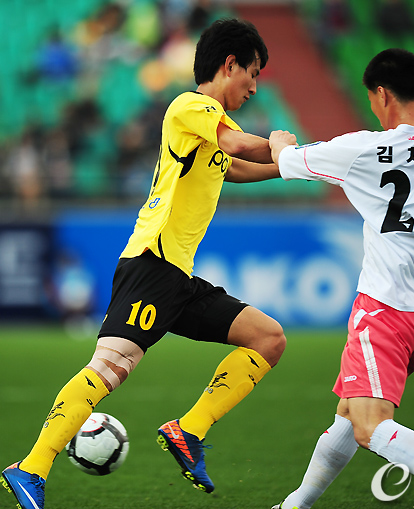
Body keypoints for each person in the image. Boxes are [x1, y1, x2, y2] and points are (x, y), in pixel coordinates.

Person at [1, 18, 289, 509]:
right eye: (253, 73)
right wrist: (283, 145)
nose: (255, 87)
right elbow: (239, 146)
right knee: (109, 369)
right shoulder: (192, 107)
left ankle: (188, 431)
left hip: (177, 278)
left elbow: (236, 166)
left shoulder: (211, 131)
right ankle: (31, 467)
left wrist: (292, 165)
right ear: (229, 64)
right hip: (152, 265)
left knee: (268, 338)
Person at [269, 48, 414, 509]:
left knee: (368, 425)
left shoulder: (364, 149)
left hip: (384, 309)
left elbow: (288, 161)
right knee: (347, 415)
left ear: (381, 94)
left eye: (372, 98)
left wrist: (280, 140)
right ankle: (295, 506)